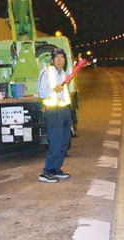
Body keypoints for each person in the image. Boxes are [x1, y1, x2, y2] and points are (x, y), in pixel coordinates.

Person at [37, 48, 73, 183]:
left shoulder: (64, 74)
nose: (60, 60)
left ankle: (56, 169)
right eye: (57, 57)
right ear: (52, 60)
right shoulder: (46, 73)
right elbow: (42, 92)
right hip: (53, 111)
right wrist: (54, 89)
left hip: (64, 111)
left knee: (64, 142)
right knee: (55, 143)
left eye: (62, 57)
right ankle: (46, 172)